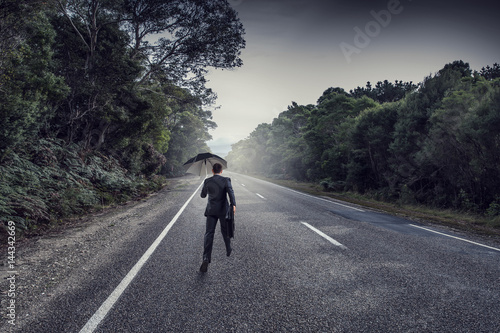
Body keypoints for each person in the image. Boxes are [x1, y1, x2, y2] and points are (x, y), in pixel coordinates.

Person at [199, 163, 236, 273]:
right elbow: (231, 192)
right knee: (225, 231)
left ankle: (206, 258)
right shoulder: (226, 180)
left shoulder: (207, 181)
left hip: (211, 211)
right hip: (223, 210)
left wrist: (205, 184)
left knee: (209, 233)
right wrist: (233, 205)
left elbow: (203, 195)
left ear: (212, 170)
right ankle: (228, 248)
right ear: (221, 171)